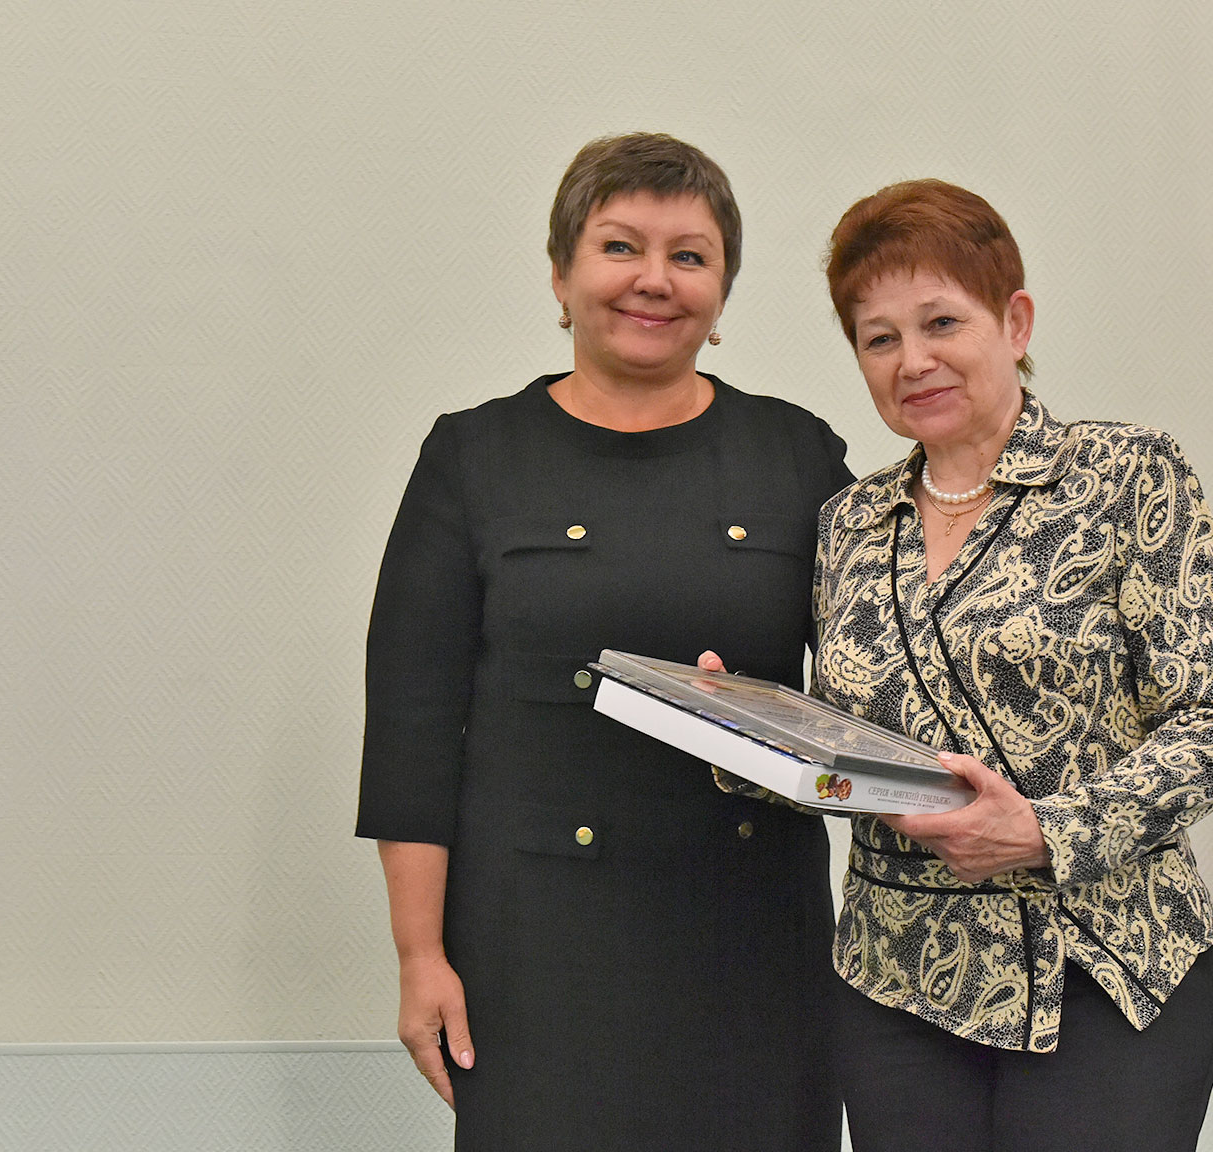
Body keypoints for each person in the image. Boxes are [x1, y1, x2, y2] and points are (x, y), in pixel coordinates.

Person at [355, 133, 852, 1152]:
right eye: (620, 246)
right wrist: (419, 957)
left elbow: (874, 685)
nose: (653, 280)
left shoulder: (795, 453)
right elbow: (412, 729)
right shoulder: (474, 456)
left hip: (752, 938)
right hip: (536, 944)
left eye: (689, 255)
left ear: (722, 291)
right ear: (561, 275)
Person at [812, 179, 1213, 1152]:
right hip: (895, 988)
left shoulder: (1128, 475)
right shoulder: (847, 522)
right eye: (879, 338)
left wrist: (1046, 831)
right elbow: (840, 745)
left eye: (941, 322)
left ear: (1014, 322)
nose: (912, 360)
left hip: (1106, 974)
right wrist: (733, 728)